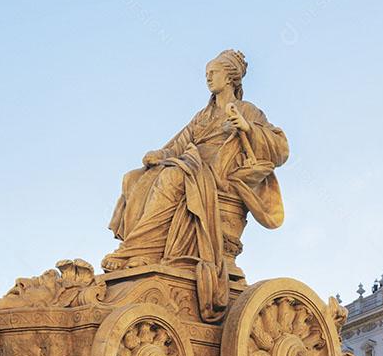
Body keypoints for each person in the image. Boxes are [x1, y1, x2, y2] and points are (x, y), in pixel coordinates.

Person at [102, 50, 289, 287]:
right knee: (133, 178)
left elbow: (281, 149)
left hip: (219, 175)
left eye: (214, 73)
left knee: (173, 175)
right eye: (206, 74)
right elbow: (179, 144)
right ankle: (143, 250)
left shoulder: (248, 110)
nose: (208, 78)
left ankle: (139, 250)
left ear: (229, 77)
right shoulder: (201, 116)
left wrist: (248, 127)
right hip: (193, 165)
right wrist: (160, 154)